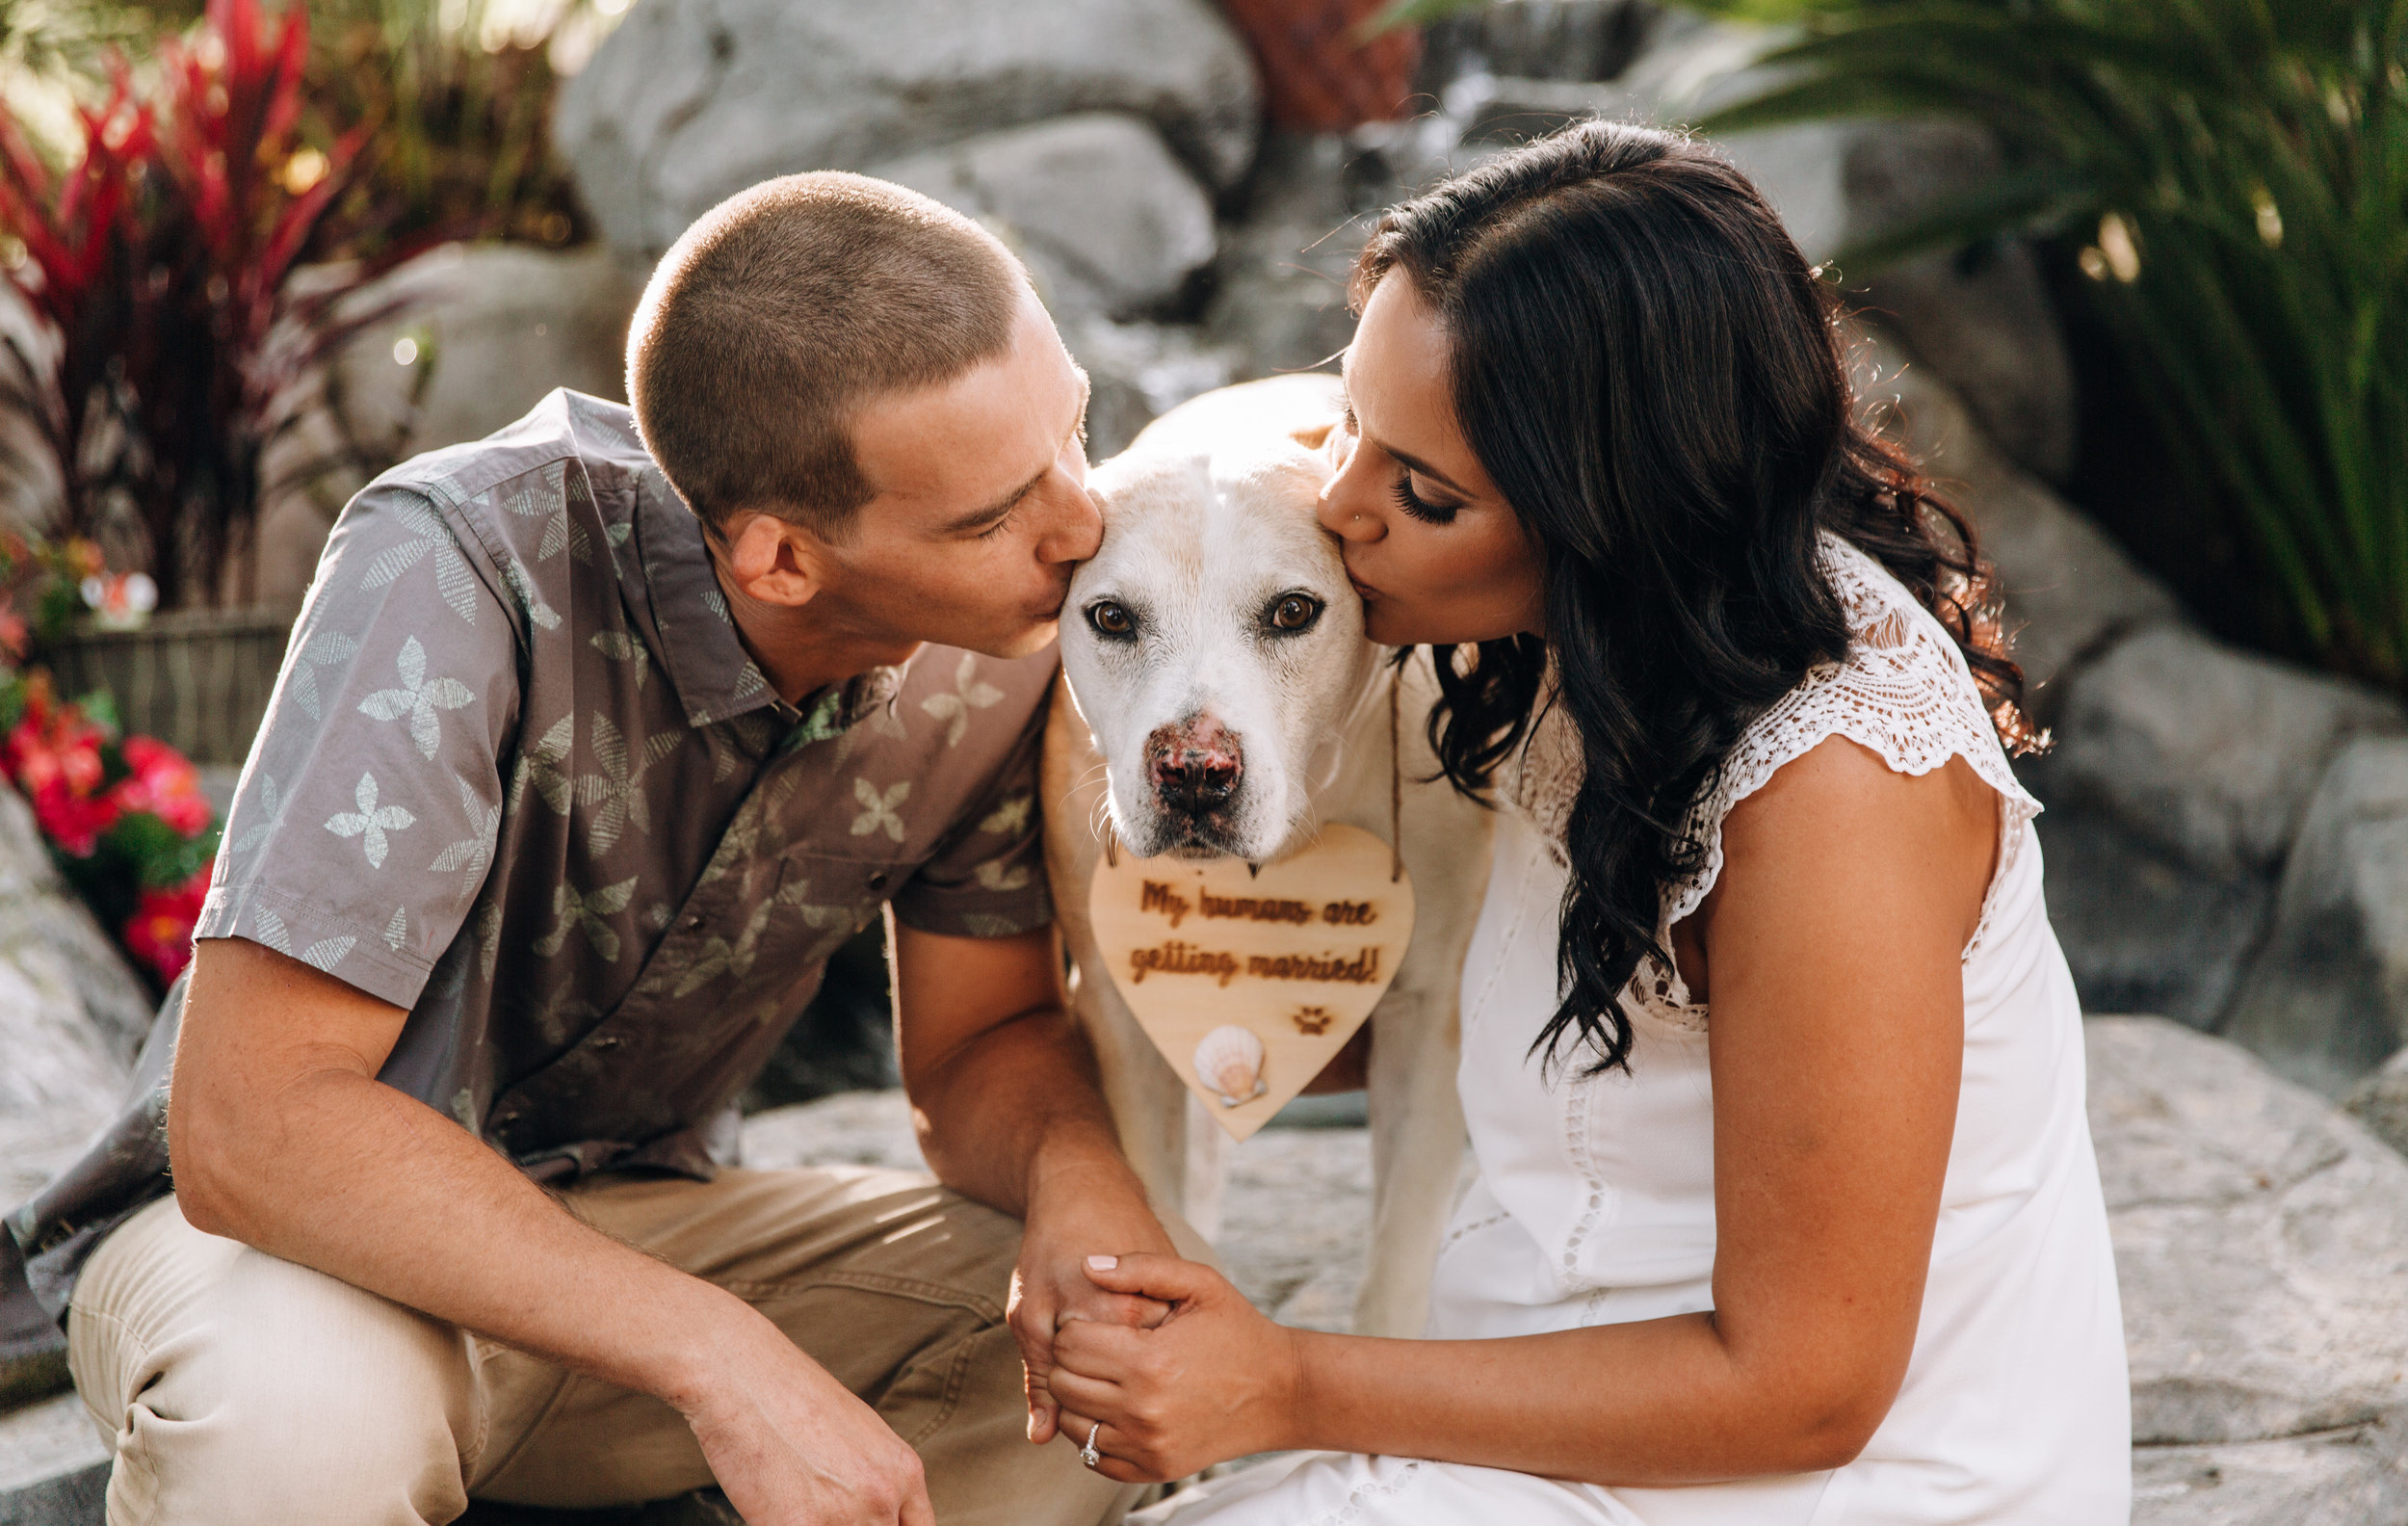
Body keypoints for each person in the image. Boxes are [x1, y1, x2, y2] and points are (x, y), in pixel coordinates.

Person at [1, 173, 1184, 1526]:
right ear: (781, 561)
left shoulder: (1010, 639)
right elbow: (251, 1131)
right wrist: (717, 1354)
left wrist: (1080, 1186)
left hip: (633, 1231)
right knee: (297, 1426)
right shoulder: (460, 566)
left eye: (1074, 432)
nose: (1082, 524)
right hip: (275, 1253)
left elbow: (983, 1046)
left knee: (1091, 1361)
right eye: (991, 516)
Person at [1040, 121, 2132, 1524]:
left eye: (1420, 491)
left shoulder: (1836, 782)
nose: (1341, 508)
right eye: (1350, 427)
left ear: (1601, 510)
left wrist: (1293, 1384)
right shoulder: (1601, 640)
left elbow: (1806, 1389)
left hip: (1819, 1484)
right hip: (1555, 1397)